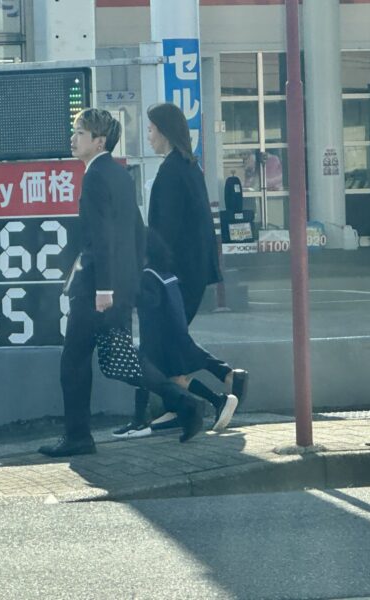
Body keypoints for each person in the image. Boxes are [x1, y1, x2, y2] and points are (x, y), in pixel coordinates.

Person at [38, 109, 205, 458]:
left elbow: (102, 237)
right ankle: (186, 404)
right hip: (120, 287)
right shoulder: (118, 174)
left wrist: (104, 289)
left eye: (79, 132)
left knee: (73, 362)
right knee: (120, 360)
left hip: (97, 290)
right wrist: (130, 281)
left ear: (99, 141)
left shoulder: (96, 176)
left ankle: (78, 437)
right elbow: (136, 232)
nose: (73, 138)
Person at [113, 103, 248, 438]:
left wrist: (146, 266)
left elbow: (166, 232)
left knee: (159, 348)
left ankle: (189, 404)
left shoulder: (171, 173)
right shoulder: (188, 166)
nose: (147, 136)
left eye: (150, 129)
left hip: (172, 277)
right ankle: (211, 392)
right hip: (189, 274)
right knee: (168, 347)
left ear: (164, 131)